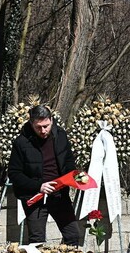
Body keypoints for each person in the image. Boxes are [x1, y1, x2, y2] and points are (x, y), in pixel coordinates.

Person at [8, 105, 80, 245]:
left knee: (72, 235)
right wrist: (39, 186)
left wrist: (73, 176)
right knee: (37, 240)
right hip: (35, 198)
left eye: (46, 126)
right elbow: (14, 174)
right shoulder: (21, 142)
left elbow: (69, 160)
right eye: (38, 127)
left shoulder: (61, 135)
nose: (43, 130)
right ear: (31, 123)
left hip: (60, 194)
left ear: (51, 120)